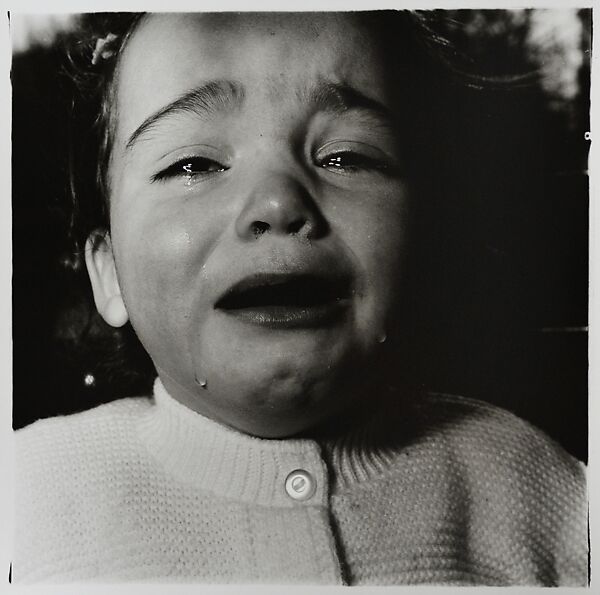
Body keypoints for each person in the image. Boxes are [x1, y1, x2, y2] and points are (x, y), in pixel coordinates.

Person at [12, 11, 588, 585]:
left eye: (347, 156)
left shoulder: (538, 490)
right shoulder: (28, 498)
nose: (278, 202)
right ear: (109, 271)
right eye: (194, 164)